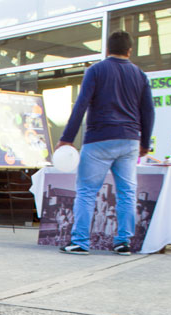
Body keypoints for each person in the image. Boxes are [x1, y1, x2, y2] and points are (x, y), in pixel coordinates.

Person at [57, 30, 154, 256]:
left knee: (87, 191)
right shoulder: (140, 75)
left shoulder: (96, 71)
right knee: (127, 193)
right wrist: (145, 142)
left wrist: (67, 139)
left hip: (99, 139)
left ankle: (80, 243)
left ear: (107, 49)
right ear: (130, 51)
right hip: (130, 140)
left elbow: (81, 104)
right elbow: (148, 110)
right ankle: (123, 242)